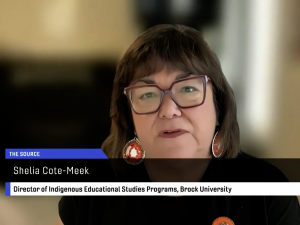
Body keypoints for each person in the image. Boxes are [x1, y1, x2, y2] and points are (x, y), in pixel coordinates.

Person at [56, 24, 300, 225]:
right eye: (147, 94)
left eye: (188, 89)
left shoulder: (267, 192)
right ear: (129, 116)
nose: (169, 110)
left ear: (219, 104)